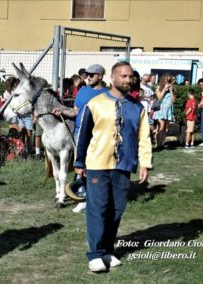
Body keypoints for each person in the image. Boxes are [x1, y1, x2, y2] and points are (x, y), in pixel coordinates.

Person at [74, 61, 152, 272]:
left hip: (124, 165)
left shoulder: (137, 108)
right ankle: (95, 254)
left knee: (116, 210)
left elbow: (143, 136)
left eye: (131, 77)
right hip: (97, 164)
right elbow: (82, 133)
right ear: (113, 78)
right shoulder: (95, 103)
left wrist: (145, 162)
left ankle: (108, 249)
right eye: (124, 76)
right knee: (97, 209)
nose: (129, 80)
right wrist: (79, 161)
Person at [52, 64, 108, 213]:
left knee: (96, 165)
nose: (88, 77)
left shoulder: (107, 94)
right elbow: (75, 112)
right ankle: (81, 196)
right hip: (80, 133)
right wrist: (62, 112)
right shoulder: (83, 91)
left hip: (99, 134)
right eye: (87, 74)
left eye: (92, 75)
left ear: (100, 76)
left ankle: (95, 196)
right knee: (81, 164)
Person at [152, 73, 176, 148]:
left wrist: (171, 91)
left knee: (165, 128)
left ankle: (162, 143)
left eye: (169, 80)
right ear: (163, 79)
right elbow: (159, 97)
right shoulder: (159, 87)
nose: (168, 81)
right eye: (166, 79)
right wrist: (164, 89)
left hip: (168, 111)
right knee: (161, 127)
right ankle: (158, 144)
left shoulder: (172, 87)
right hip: (161, 110)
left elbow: (173, 100)